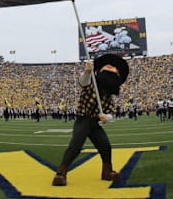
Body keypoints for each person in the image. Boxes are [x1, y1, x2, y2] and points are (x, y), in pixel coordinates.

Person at [52, 54, 129, 186]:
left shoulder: (108, 96)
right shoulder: (91, 85)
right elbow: (83, 82)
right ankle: (61, 172)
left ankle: (107, 171)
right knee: (75, 146)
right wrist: (87, 71)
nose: (110, 66)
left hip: (94, 124)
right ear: (98, 71)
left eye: (113, 67)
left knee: (105, 146)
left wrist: (106, 117)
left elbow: (111, 112)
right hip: (83, 120)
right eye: (107, 66)